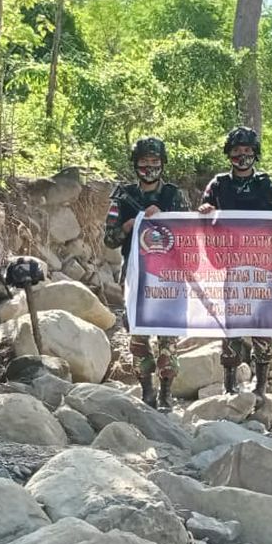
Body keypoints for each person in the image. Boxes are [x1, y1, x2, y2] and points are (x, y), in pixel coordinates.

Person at [198, 126, 272, 405]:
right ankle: (228, 384)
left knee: (263, 323)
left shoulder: (266, 184)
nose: (242, 156)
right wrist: (205, 210)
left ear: (255, 153)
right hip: (234, 265)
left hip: (266, 265)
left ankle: (261, 385)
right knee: (233, 322)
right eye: (236, 151)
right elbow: (203, 210)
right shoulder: (218, 184)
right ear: (229, 154)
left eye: (247, 151)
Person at [103, 136, 188, 411]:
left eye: (155, 161)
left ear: (163, 163)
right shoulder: (122, 196)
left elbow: (189, 234)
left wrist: (164, 216)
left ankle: (166, 393)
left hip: (168, 275)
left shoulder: (174, 195)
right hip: (135, 274)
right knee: (138, 336)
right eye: (144, 162)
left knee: (168, 336)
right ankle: (147, 391)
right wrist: (127, 226)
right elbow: (109, 240)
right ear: (135, 164)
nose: (149, 167)